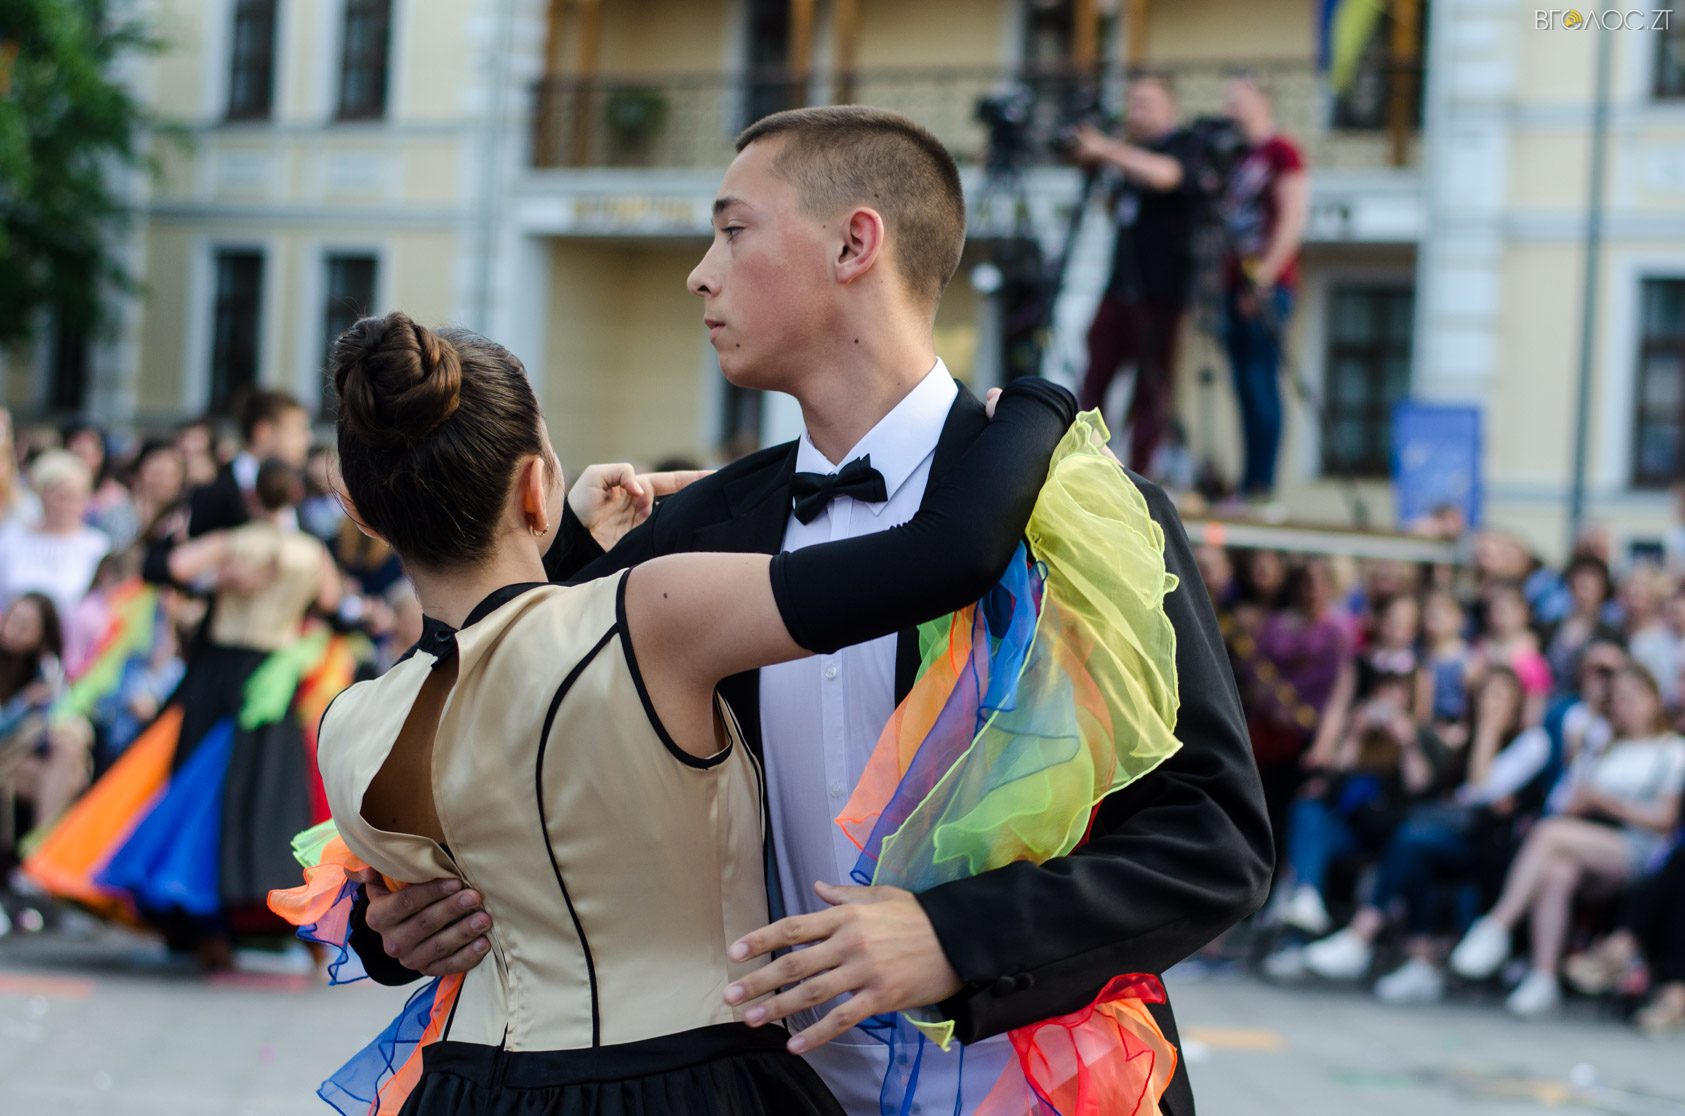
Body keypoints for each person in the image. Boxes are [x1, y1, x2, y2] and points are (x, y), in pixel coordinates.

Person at [353, 106, 1270, 1116]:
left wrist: (950, 939)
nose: (698, 274)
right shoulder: (690, 535)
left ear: (852, 245)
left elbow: (1212, 842)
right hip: (765, 1097)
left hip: (1044, 1090)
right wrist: (390, 921)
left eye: (732, 231)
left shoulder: (1083, 514)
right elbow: (513, 757)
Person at [317, 310, 1071, 1113]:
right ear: (536, 484)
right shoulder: (651, 612)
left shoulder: (354, 721)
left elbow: (492, 676)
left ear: (358, 510)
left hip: (464, 1090)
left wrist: (567, 546)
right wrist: (1040, 404)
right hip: (681, 1082)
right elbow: (945, 554)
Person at [27, 460, 343, 969]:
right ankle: (283, 919)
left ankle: (206, 924)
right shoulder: (312, 553)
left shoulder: (232, 542)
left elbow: (164, 570)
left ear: (254, 498)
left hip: (220, 677)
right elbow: (332, 603)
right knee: (273, 799)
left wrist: (210, 577)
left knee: (200, 796)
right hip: (273, 683)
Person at [1302, 668, 1554, 1002]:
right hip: (1458, 838)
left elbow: (1481, 789)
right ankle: (1418, 960)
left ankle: (1361, 936)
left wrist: (1488, 734)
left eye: (1500, 696)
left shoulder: (1532, 741)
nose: (1490, 704)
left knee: (1412, 840)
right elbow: (1444, 792)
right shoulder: (1465, 737)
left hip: (1499, 852)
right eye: (1485, 695)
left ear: (1517, 702)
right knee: (1412, 848)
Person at [1450, 664, 1685, 1017]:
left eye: (1632, 698)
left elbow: (1665, 820)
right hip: (1586, 841)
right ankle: (1543, 975)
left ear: (1653, 700)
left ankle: (1497, 924)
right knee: (1557, 871)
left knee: (1548, 835)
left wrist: (1606, 803)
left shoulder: (1672, 750)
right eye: (1618, 699)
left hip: (1639, 848)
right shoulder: (1604, 746)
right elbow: (1562, 803)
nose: (1624, 706)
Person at [1070, 74, 1199, 477]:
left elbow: (1167, 175)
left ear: (1168, 107)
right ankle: (1083, 458)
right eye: (1132, 103)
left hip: (1162, 290)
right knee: (1096, 370)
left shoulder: (1183, 144)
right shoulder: (1128, 152)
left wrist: (1106, 149)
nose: (1135, 112)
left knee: (1151, 389)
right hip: (1120, 284)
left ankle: (1138, 473)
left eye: (1145, 103)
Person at [1220, 72, 1307, 501]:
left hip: (1266, 285)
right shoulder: (1236, 157)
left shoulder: (1281, 152)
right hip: (1235, 282)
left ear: (1262, 101)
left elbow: (1293, 217)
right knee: (1243, 385)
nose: (1231, 109)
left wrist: (1265, 277)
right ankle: (1249, 479)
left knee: (1261, 381)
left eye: (1238, 99)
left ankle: (1262, 484)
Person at [0, 450, 111, 620]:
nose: (69, 504)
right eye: (62, 495)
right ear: (42, 494)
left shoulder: (98, 546)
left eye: (77, 496)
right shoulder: (12, 538)